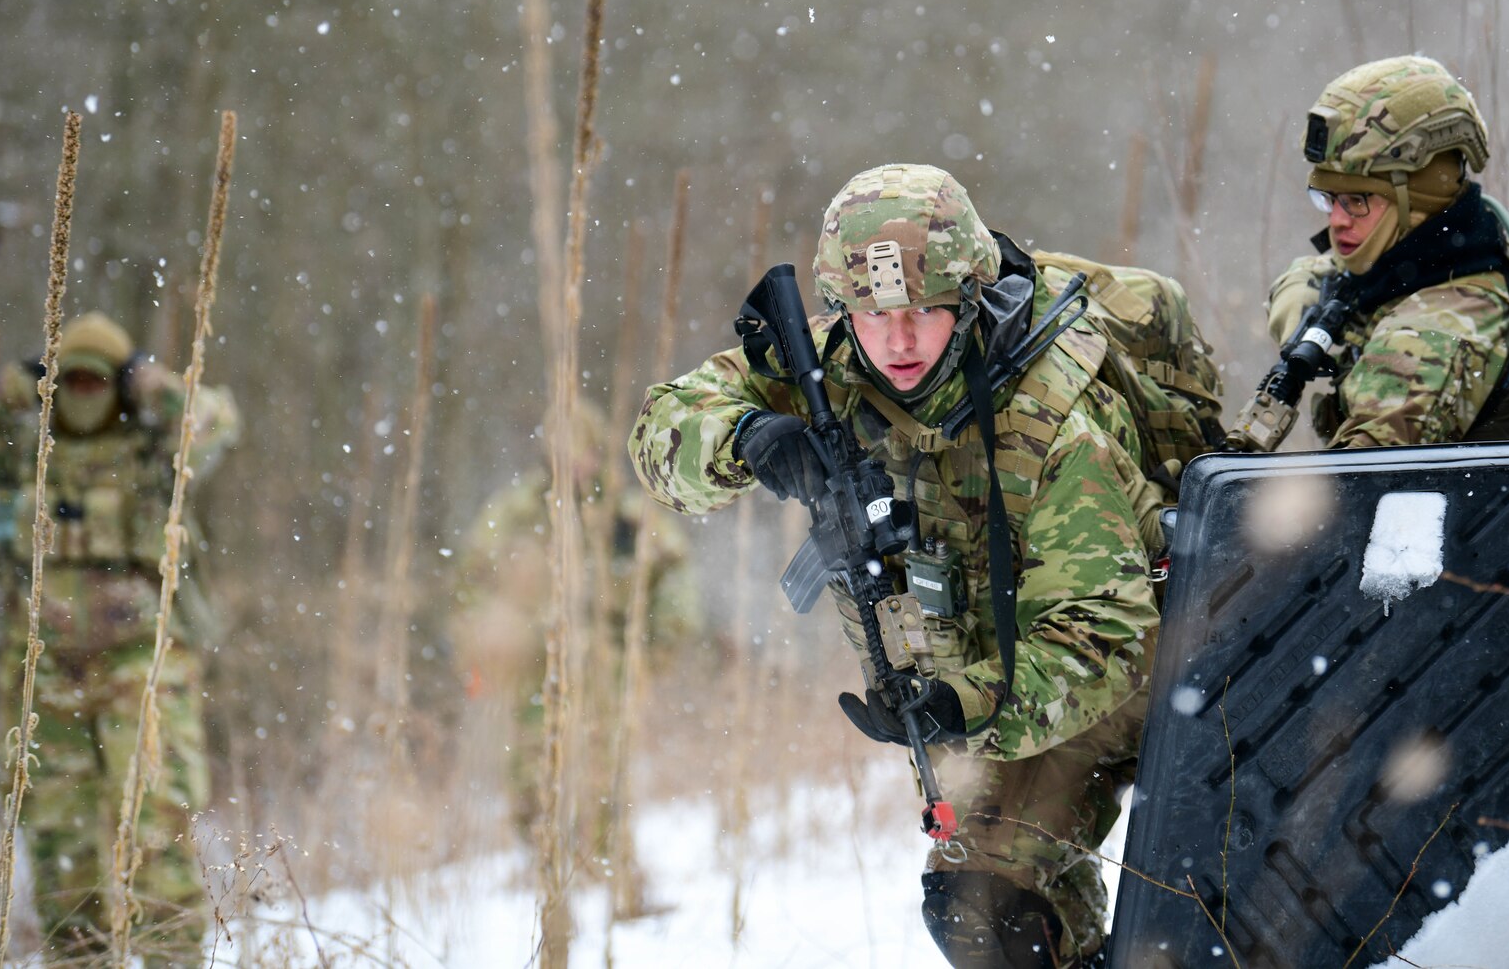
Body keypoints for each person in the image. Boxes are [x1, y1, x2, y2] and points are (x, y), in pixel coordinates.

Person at [629, 163, 1222, 969]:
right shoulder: (830, 367)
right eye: (873, 316)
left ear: (969, 298)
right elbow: (660, 433)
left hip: (1136, 671)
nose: (898, 340)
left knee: (1001, 906)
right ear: (842, 312)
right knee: (986, 911)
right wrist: (747, 440)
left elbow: (1103, 636)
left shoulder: (1052, 423)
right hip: (991, 675)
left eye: (924, 312)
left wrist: (961, 703)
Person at [0, 311, 238, 965]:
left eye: (100, 383)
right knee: (58, 841)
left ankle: (171, 956)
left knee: (158, 828)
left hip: (143, 666)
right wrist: (15, 386)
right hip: (42, 671)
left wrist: (147, 382)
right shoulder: (26, 453)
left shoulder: (152, 451)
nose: (85, 396)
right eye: (71, 381)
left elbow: (217, 421)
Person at [1261, 56, 1509, 449]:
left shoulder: (1430, 341)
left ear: (1416, 199)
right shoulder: (1468, 266)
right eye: (1327, 199)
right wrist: (1300, 307)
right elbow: (1315, 271)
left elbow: (1345, 504)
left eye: (1357, 200)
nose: (1337, 221)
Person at [449, 401, 699, 832]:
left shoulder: (628, 514)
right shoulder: (517, 513)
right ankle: (548, 872)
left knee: (604, 777)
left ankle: (606, 868)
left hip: (610, 665)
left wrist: (653, 655)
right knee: (532, 777)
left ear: (599, 452)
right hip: (534, 668)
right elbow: (471, 584)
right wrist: (485, 652)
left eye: (582, 450)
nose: (574, 461)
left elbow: (676, 587)